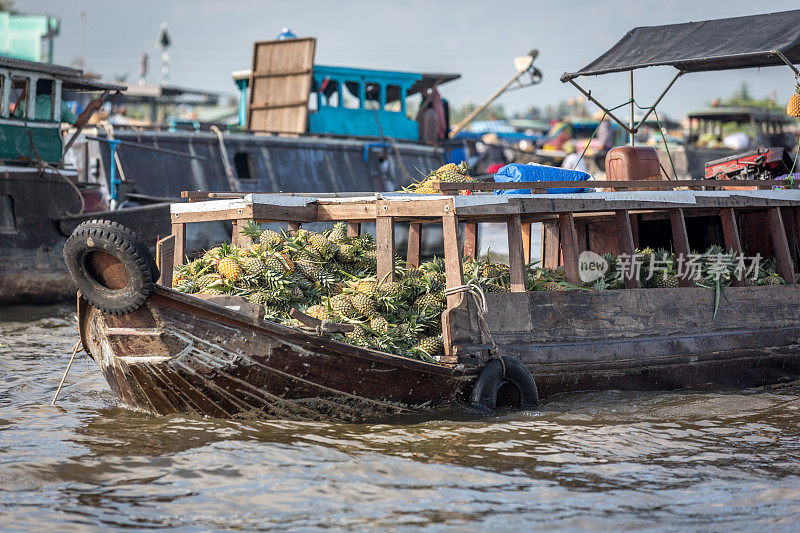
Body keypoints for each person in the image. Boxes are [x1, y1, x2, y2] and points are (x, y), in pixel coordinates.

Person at [13, 79, 78, 124]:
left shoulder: (25, 103)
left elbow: (16, 114)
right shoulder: (60, 105)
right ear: (53, 88)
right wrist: (88, 107)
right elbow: (77, 122)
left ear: (35, 88)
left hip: (28, 140)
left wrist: (26, 87)